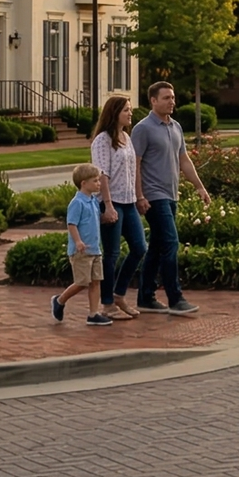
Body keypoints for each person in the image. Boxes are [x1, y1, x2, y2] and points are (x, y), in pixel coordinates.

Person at [130, 81, 211, 316]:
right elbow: (135, 163)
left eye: (173, 97)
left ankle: (145, 297)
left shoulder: (175, 127)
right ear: (153, 101)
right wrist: (139, 195)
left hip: (171, 194)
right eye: (166, 98)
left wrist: (199, 186)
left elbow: (184, 160)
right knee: (170, 243)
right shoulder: (143, 128)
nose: (172, 101)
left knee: (156, 247)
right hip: (154, 196)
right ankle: (175, 298)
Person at [89, 92, 146, 320]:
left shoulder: (127, 137)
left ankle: (119, 293)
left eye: (130, 109)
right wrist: (109, 206)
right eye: (126, 110)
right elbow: (102, 174)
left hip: (129, 201)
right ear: (115, 113)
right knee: (111, 254)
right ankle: (107, 304)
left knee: (140, 248)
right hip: (111, 203)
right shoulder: (103, 140)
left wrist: (139, 196)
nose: (130, 113)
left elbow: (133, 170)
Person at [54, 163, 114, 328]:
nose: (99, 183)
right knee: (82, 282)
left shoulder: (93, 200)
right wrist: (78, 241)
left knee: (96, 281)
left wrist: (106, 218)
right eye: (95, 181)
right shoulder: (77, 203)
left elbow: (94, 220)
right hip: (81, 251)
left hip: (95, 249)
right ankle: (60, 300)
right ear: (83, 183)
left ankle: (93, 314)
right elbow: (71, 224)